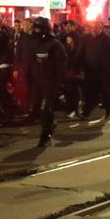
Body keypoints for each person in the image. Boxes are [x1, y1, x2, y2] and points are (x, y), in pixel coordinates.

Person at [22, 17, 66, 148]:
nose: (36, 30)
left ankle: (45, 136)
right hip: (37, 82)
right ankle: (50, 124)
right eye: (35, 28)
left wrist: (60, 84)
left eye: (38, 28)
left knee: (45, 109)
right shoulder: (34, 43)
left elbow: (61, 65)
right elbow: (30, 62)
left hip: (50, 81)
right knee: (34, 108)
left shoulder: (55, 45)